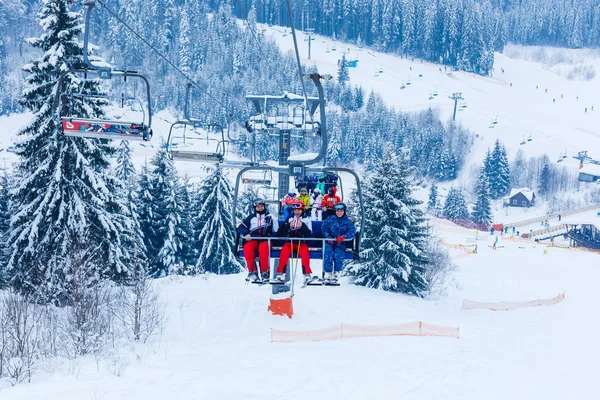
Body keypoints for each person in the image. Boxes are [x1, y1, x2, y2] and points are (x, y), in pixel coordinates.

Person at [273, 201, 316, 285]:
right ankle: (281, 274)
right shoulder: (289, 219)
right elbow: (281, 232)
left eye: (299, 210)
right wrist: (288, 226)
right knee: (284, 253)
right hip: (290, 241)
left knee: (305, 254)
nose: (297, 212)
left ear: (302, 210)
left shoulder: (307, 220)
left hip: (301, 242)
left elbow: (309, 234)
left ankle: (306, 274)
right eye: (295, 210)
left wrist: (303, 226)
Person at [238, 199, 279, 282]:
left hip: (266, 240)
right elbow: (241, 227)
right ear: (255, 208)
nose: (260, 208)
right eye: (258, 207)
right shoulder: (251, 218)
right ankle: (253, 271)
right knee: (247, 248)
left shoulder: (271, 217)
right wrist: (246, 234)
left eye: (261, 206)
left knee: (263, 248)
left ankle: (265, 271)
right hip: (254, 239)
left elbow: (276, 230)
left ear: (264, 206)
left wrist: (270, 237)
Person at [322, 203, 356, 283]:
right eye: (337, 211)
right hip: (330, 241)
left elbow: (352, 231)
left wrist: (344, 236)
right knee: (328, 253)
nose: (339, 213)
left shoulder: (347, 221)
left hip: (341, 242)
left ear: (344, 211)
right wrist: (328, 237)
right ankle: (328, 272)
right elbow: (324, 228)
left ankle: (337, 272)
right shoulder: (330, 219)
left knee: (339, 254)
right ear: (335, 211)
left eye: (341, 211)